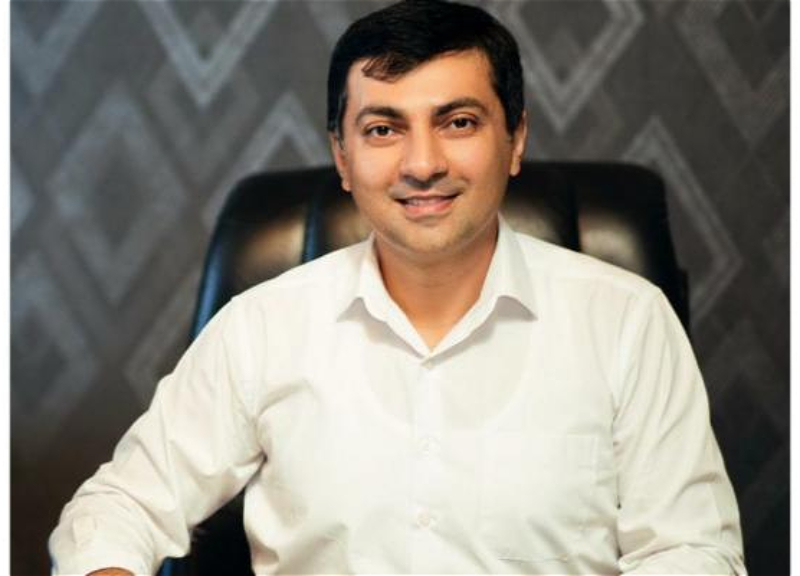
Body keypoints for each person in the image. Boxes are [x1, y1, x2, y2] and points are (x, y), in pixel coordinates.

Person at [50, 1, 746, 574]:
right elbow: (119, 508)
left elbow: (691, 552)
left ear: (515, 139)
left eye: (459, 122)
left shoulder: (626, 321)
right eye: (383, 129)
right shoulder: (261, 327)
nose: (422, 163)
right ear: (342, 156)